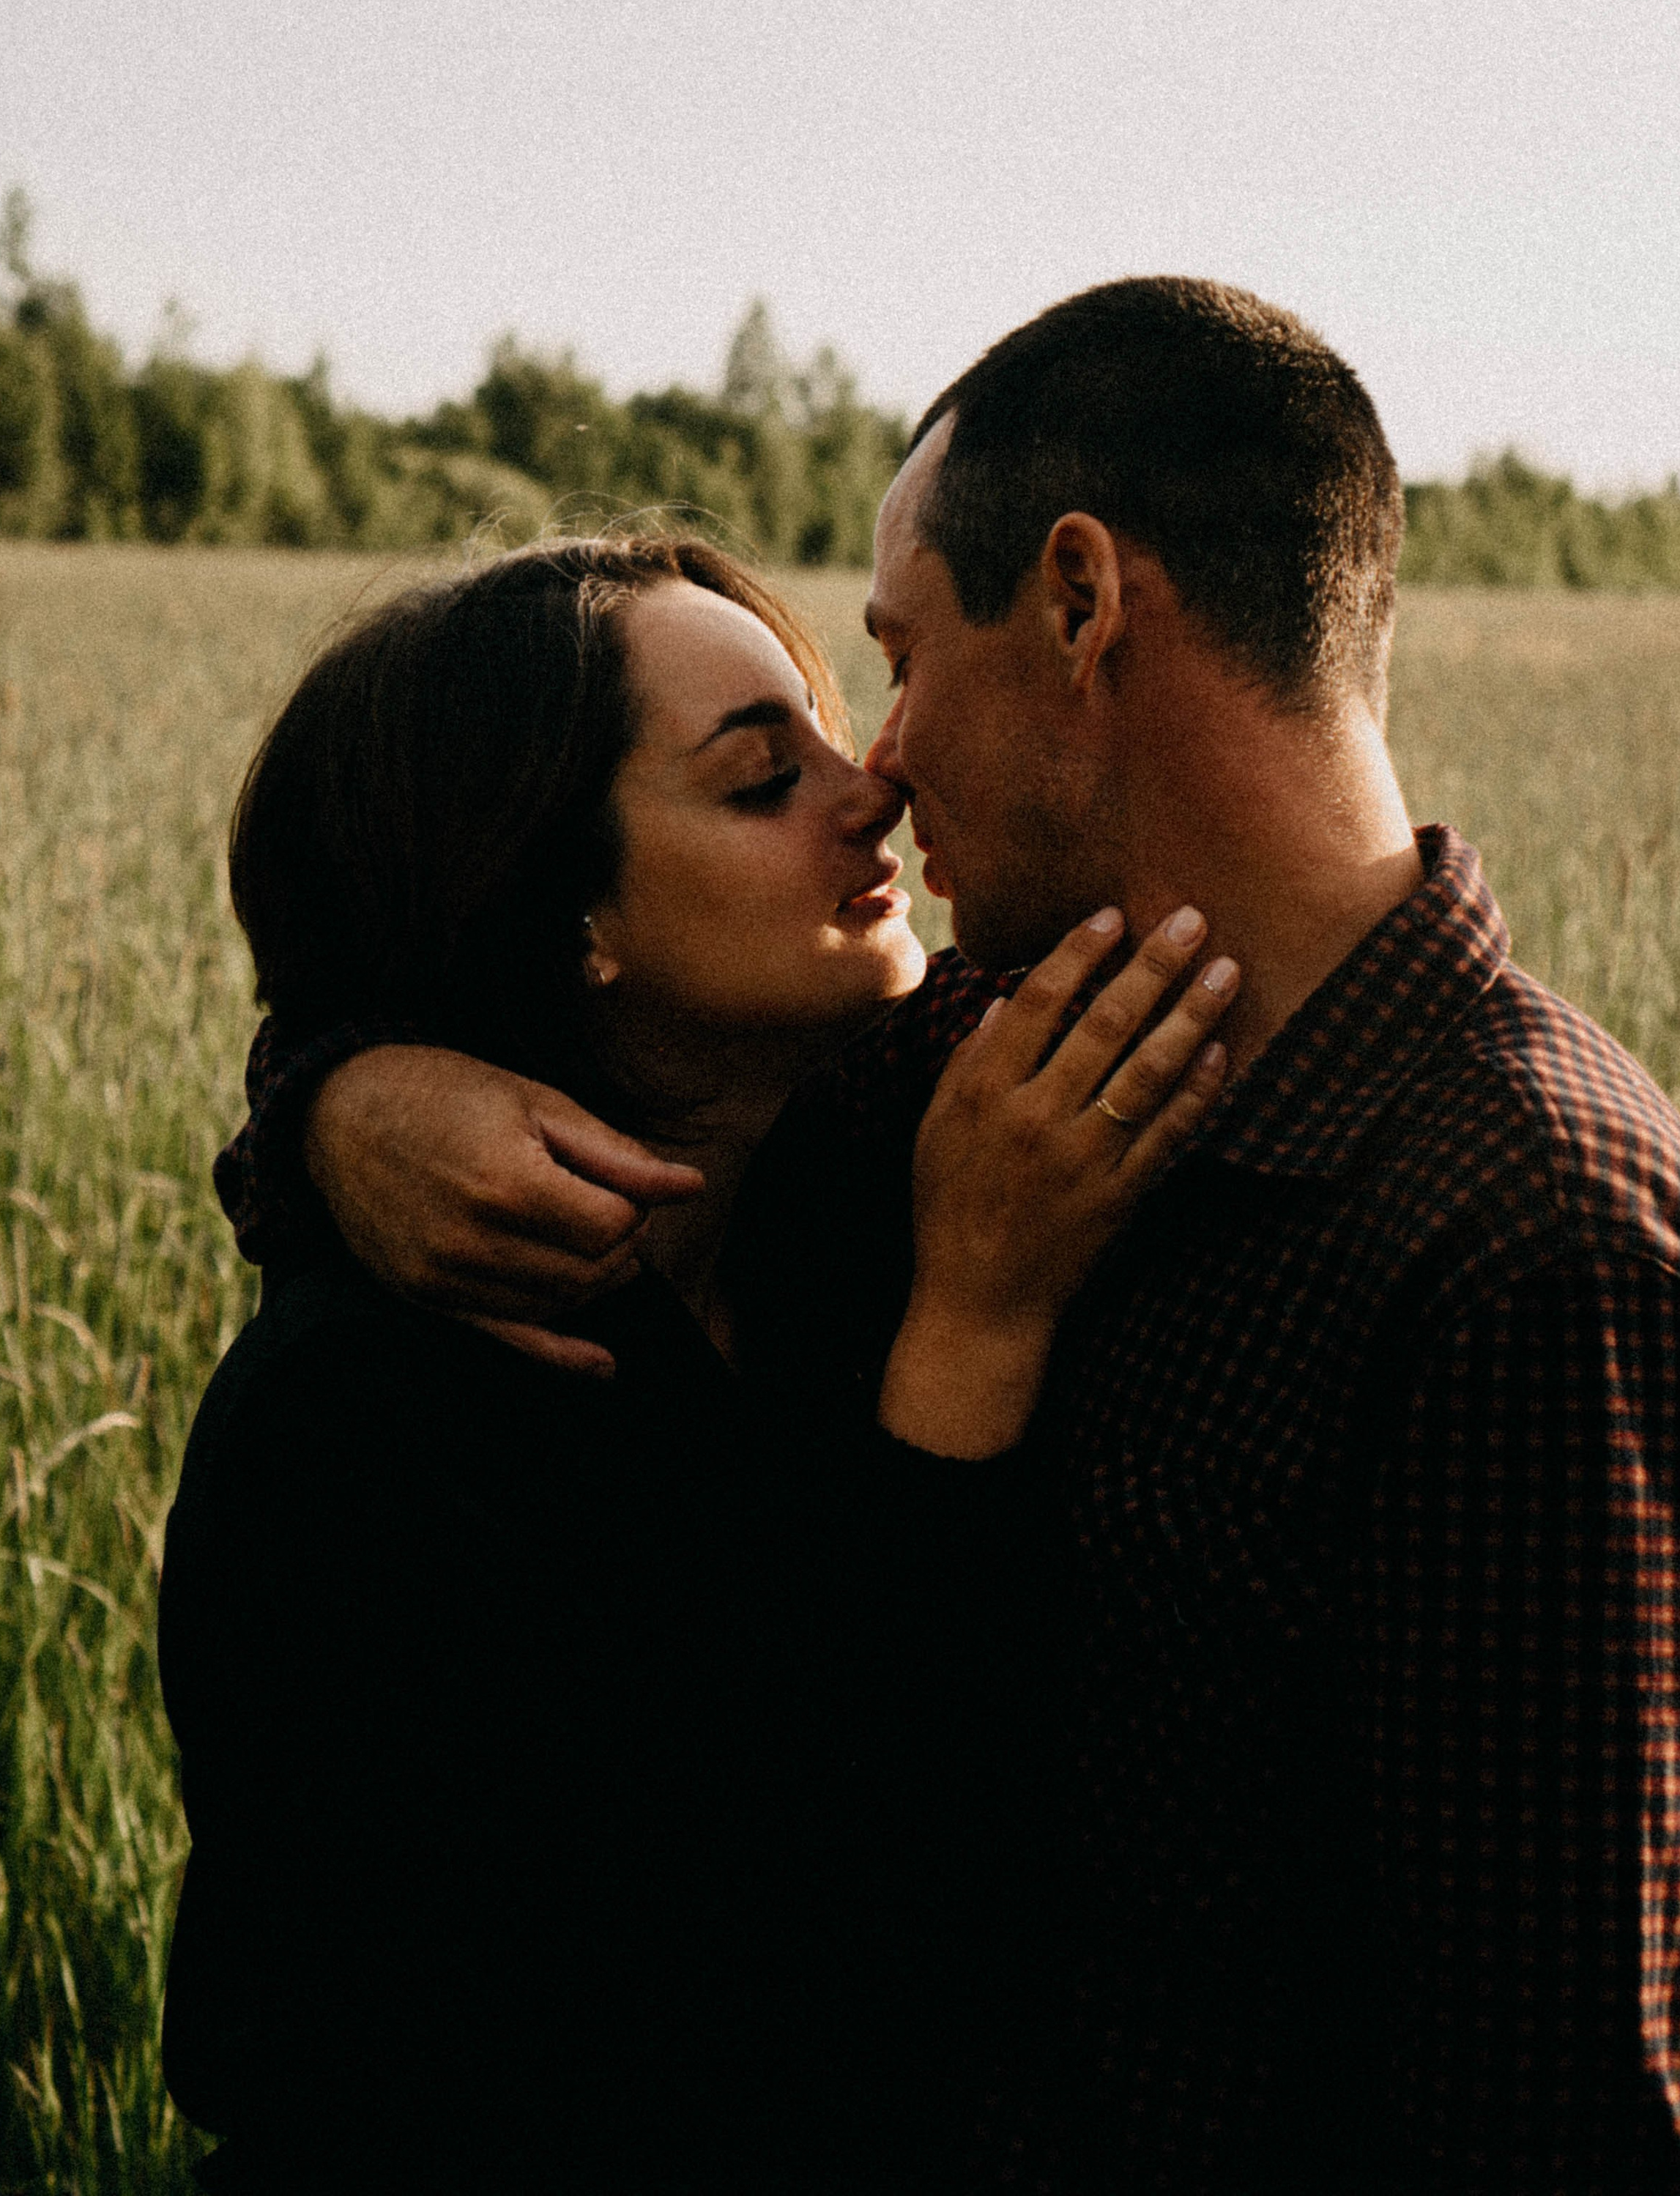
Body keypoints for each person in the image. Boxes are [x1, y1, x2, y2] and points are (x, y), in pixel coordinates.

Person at [223, 280, 1680, 2196]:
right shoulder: (976, 1089)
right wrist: (340, 1098)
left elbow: (1553, 2137)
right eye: (780, 761)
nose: (882, 769)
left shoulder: (1548, 1263)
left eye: (894, 667)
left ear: (1079, 603)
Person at [160, 532, 1240, 2196]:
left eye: (830, 728)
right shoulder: (365, 1426)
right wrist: (972, 1335)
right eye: (760, 780)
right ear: (564, 912)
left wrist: (323, 1095)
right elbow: (765, 1985)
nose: (873, 791)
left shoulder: (852, 1196)